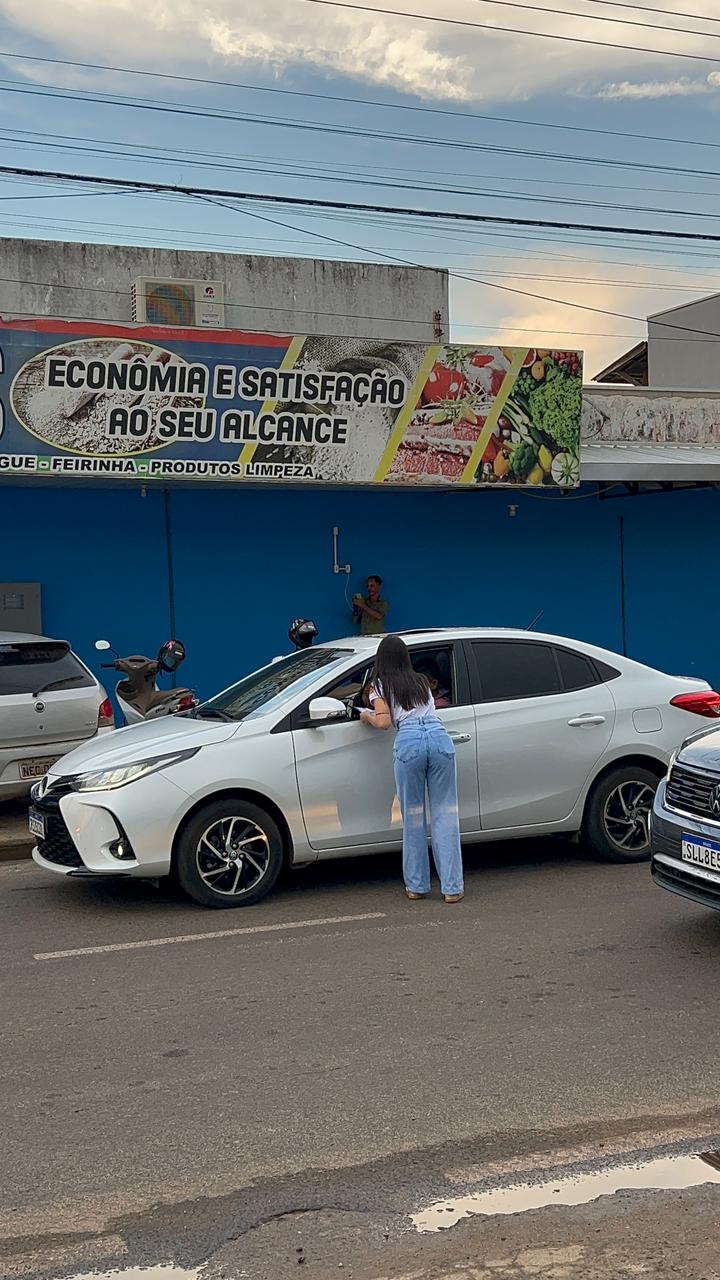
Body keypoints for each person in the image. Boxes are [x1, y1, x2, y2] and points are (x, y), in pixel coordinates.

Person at [360, 635, 464, 903]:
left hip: (409, 742)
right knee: (445, 814)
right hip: (439, 737)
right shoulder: (421, 681)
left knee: (414, 817)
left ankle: (417, 886)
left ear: (381, 659)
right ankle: (452, 888)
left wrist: (366, 716)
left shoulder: (379, 685)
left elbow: (383, 722)